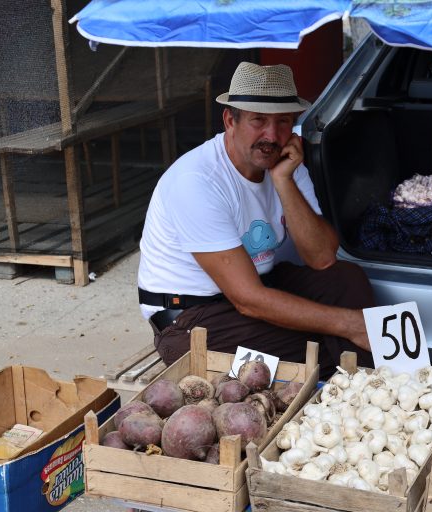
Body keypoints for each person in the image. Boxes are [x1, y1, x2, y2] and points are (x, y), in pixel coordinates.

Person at [137, 62, 375, 378]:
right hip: (190, 320)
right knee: (314, 346)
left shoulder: (286, 165)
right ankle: (356, 395)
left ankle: (363, 389)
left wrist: (283, 181)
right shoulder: (196, 180)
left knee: (346, 279)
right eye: (258, 121)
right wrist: (350, 324)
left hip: (256, 288)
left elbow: (321, 258)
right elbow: (248, 300)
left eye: (283, 122)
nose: (272, 136)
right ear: (229, 121)